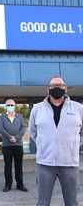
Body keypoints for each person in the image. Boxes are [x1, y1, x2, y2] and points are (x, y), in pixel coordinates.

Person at [29, 75, 83, 206]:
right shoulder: (37, 109)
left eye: (60, 85)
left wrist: (73, 146)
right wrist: (45, 145)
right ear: (48, 89)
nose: (56, 88)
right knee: (42, 202)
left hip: (70, 164)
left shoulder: (79, 109)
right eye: (53, 85)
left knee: (72, 202)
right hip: (45, 164)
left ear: (65, 89)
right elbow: (33, 133)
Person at [0, 99, 28, 192]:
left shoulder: (20, 117)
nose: (10, 106)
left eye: (12, 105)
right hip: (7, 145)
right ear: (5, 106)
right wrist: (10, 137)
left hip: (18, 145)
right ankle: (8, 185)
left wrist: (17, 138)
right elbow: (0, 129)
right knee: (8, 166)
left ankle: (20, 184)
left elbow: (23, 128)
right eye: (8, 105)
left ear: (15, 106)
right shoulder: (2, 117)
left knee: (19, 165)